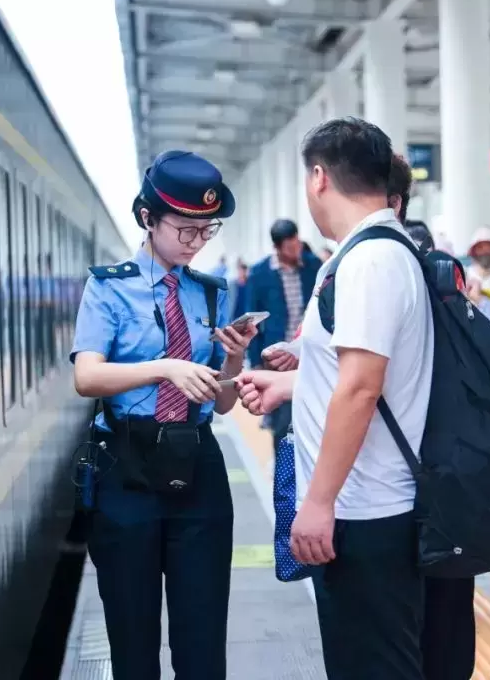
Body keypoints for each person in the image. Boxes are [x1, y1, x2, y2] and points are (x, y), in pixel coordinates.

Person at [236, 118, 434, 680]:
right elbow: (362, 374)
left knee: (375, 666)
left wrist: (317, 503)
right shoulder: (369, 253)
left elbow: (362, 387)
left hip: (364, 510)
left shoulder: (370, 261)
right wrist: (292, 383)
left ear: (319, 177)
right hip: (363, 504)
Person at [70, 150, 257, 679]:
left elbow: (220, 402)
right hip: (126, 469)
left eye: (207, 230)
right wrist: (165, 368)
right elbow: (87, 377)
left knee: (202, 643)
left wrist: (235, 357)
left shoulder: (210, 293)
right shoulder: (108, 287)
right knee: (133, 641)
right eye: (185, 230)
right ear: (148, 218)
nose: (197, 243)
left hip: (196, 464)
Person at [245, 218, 321, 439]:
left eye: (297, 244)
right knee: (282, 424)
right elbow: (252, 319)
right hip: (276, 358)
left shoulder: (313, 265)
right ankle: (283, 470)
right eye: (289, 247)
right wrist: (256, 362)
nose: (296, 250)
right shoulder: (260, 273)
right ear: (277, 248)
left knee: (309, 417)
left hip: (307, 353)